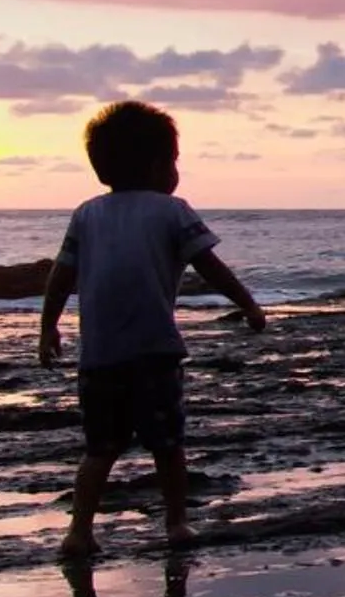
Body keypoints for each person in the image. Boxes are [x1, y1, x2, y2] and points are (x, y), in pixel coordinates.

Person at [39, 100, 263, 563]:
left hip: (98, 357)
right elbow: (210, 266)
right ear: (161, 164)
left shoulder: (86, 214)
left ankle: (79, 532)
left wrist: (48, 328)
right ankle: (177, 522)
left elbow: (61, 276)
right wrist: (248, 304)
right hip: (155, 352)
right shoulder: (172, 211)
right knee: (168, 444)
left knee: (99, 449)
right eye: (175, 161)